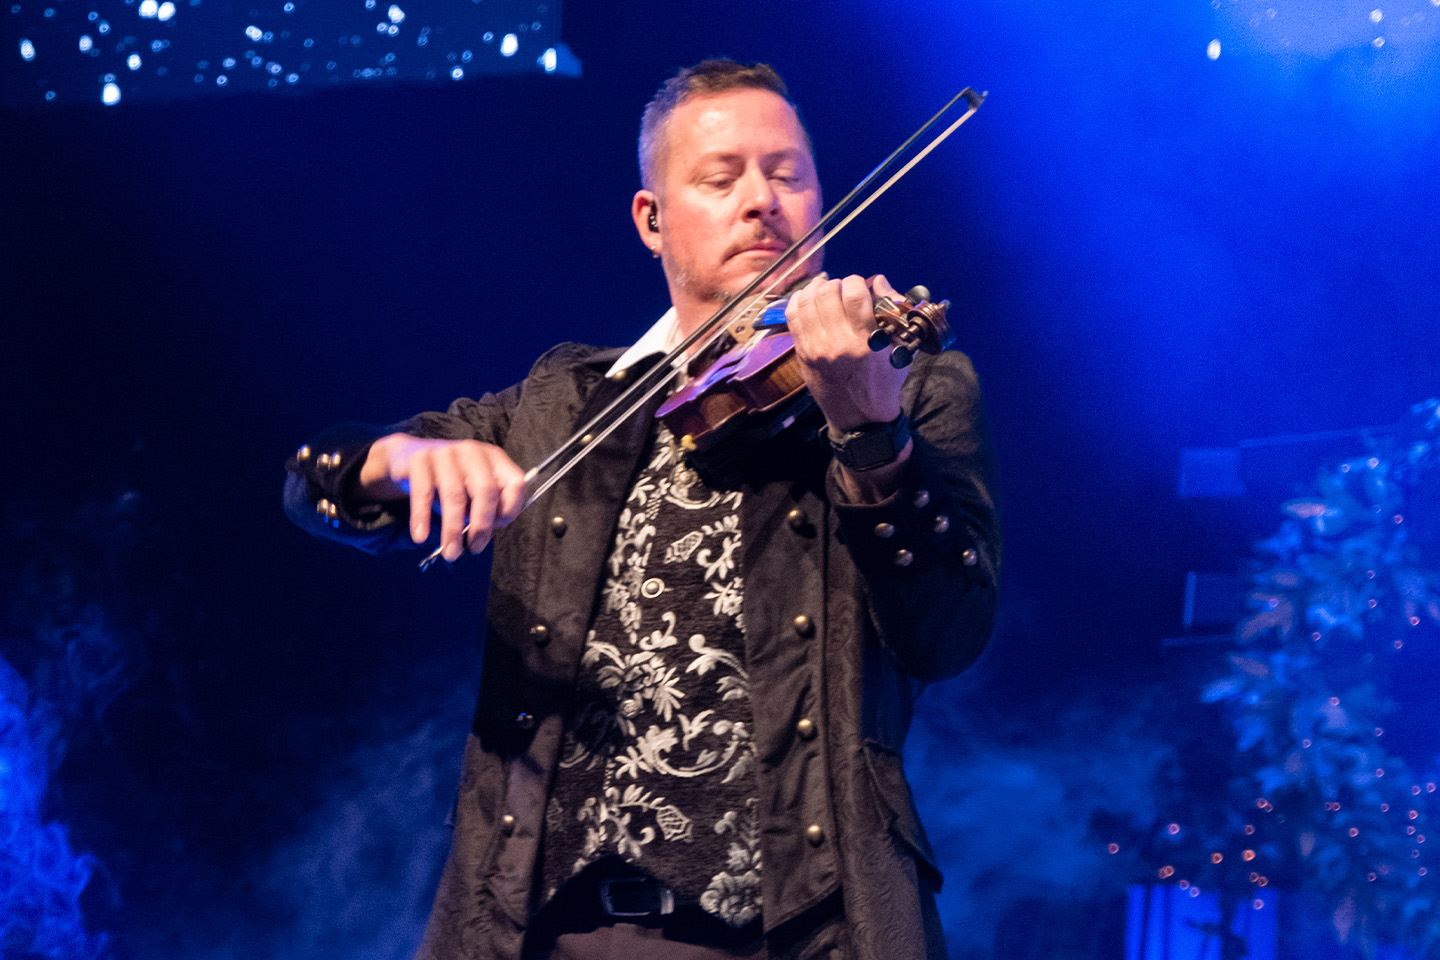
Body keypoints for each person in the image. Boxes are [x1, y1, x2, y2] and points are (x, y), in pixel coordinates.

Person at [285, 59, 999, 960]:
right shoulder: (564, 402)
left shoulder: (906, 384)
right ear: (651, 220)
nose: (761, 202)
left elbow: (950, 632)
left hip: (798, 928)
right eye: (720, 177)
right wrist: (401, 457)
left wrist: (866, 431)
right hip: (546, 927)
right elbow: (317, 482)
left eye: (788, 175)